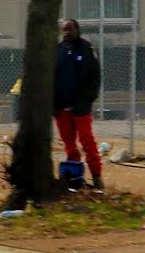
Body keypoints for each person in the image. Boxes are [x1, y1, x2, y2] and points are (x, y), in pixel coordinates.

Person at [53, 18, 103, 191]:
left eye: (70, 29)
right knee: (69, 144)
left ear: (77, 30)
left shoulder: (87, 49)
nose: (67, 32)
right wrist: (54, 104)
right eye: (64, 30)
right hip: (62, 108)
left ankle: (97, 176)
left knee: (87, 142)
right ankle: (74, 178)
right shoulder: (57, 51)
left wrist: (88, 100)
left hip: (81, 108)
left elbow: (95, 77)